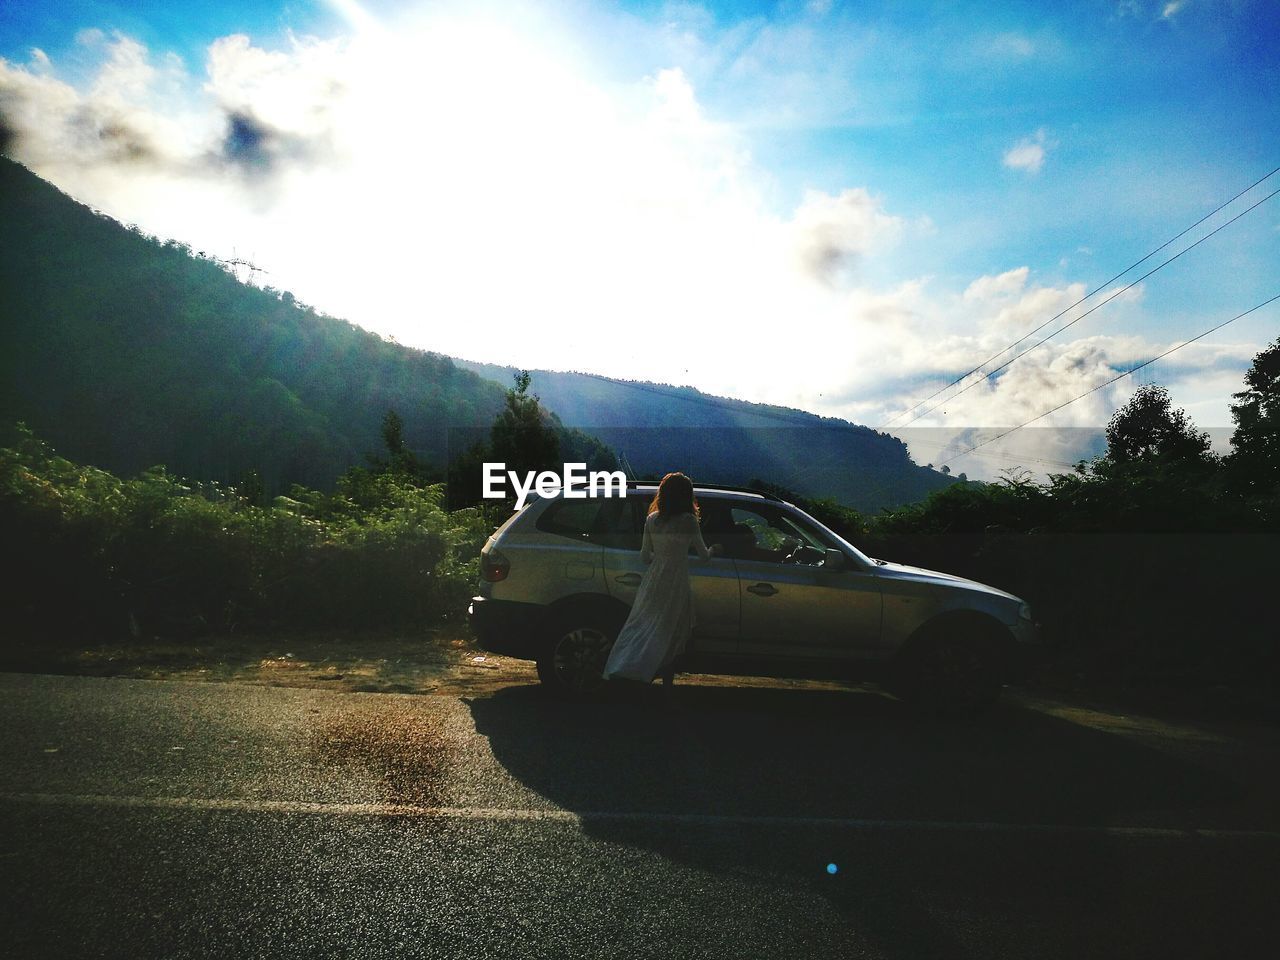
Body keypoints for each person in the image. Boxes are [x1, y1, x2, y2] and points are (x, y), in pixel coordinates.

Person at [602, 472, 718, 687]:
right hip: (676, 581)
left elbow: (644, 557)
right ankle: (664, 687)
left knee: (645, 628)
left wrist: (663, 557)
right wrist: (714, 549)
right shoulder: (688, 521)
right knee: (671, 632)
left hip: (654, 580)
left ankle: (629, 669)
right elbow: (703, 556)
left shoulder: (651, 520)